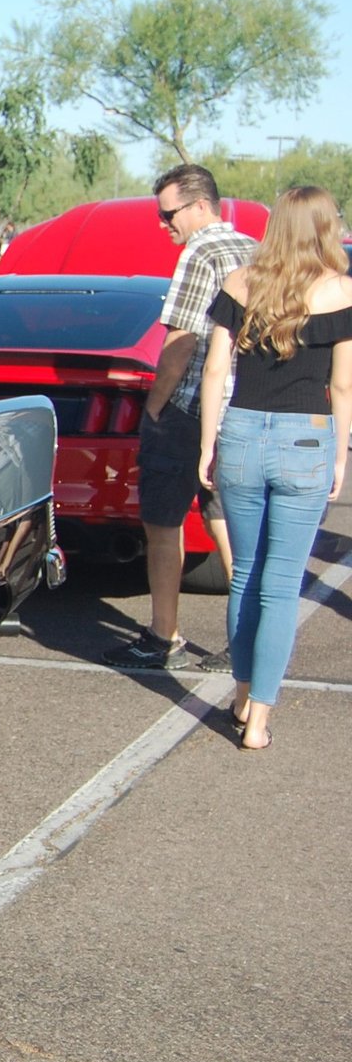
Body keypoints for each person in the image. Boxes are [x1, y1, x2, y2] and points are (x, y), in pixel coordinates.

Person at [195, 187, 352, 749]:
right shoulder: (340, 290)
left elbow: (215, 370)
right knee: (282, 585)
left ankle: (240, 695)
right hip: (305, 439)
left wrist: (208, 444)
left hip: (240, 431)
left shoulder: (241, 281)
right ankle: (258, 720)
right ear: (325, 228)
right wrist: (340, 455)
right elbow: (342, 384)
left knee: (245, 575)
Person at [104, 164, 249, 670]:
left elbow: (181, 341)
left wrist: (155, 406)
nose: (163, 224)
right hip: (241, 409)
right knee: (227, 520)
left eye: (169, 214)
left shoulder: (200, 252)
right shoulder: (255, 250)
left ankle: (163, 635)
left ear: (201, 206)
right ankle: (245, 640)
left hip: (189, 407)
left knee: (162, 522)